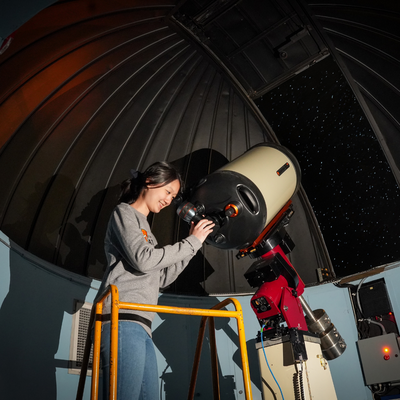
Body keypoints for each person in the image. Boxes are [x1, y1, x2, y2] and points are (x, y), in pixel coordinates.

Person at [94, 161, 214, 400]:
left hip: (141, 325)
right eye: (168, 192)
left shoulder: (149, 233)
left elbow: (161, 278)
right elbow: (143, 260)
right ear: (149, 182)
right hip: (122, 319)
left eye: (173, 196)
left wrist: (193, 244)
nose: (170, 200)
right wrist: (190, 243)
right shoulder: (124, 213)